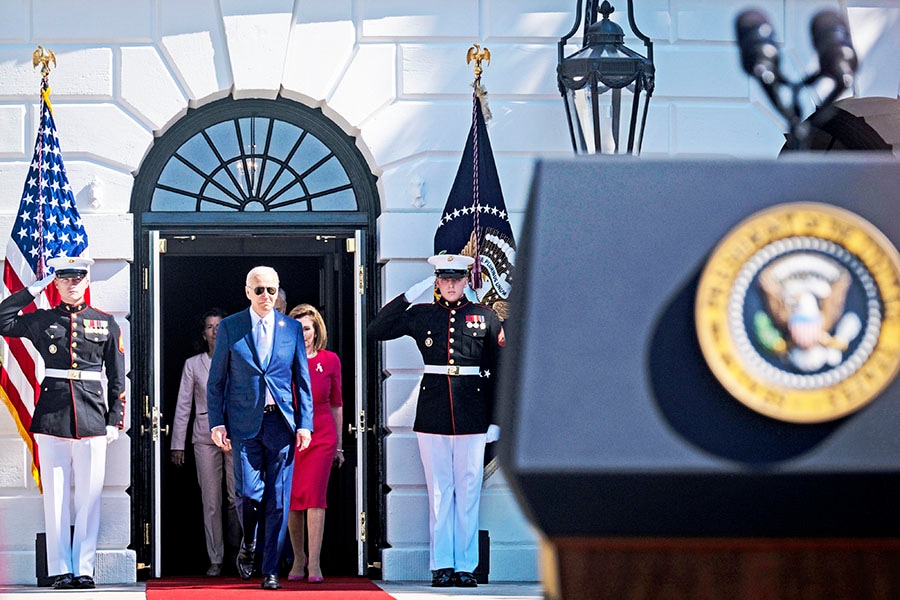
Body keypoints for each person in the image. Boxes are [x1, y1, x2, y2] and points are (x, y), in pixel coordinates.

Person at [367, 254, 503, 588]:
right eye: (445, 279)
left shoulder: (484, 317)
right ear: (438, 281)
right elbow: (377, 329)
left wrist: (497, 420)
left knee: (469, 492)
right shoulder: (423, 314)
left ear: (466, 281)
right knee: (440, 493)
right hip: (433, 413)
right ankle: (442, 565)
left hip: (474, 415)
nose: (452, 284)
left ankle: (466, 566)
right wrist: (413, 292)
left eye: (457, 278)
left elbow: (503, 371)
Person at [0, 255, 125, 590]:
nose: (72, 284)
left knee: (89, 496)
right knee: (54, 497)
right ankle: (60, 569)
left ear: (87, 282)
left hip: (92, 417)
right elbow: (3, 319)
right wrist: (31, 290)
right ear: (55, 283)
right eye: (65, 279)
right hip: (53, 415)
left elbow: (116, 377)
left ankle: (84, 568)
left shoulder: (105, 322)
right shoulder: (42, 320)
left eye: (78, 278)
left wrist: (114, 420)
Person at [207, 266, 313, 591]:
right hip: (243, 423)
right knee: (249, 494)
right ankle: (249, 543)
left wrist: (305, 424)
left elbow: (302, 381)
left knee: (278, 500)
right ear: (247, 292)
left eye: (271, 290)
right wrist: (217, 422)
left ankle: (270, 570)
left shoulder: (291, 328)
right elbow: (216, 382)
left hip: (280, 422)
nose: (266, 296)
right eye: (259, 290)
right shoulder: (231, 327)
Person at [169, 307, 240, 577]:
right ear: (203, 332)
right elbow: (183, 405)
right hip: (203, 436)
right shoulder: (193, 364)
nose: (215, 331)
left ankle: (238, 550)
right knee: (211, 501)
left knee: (237, 498)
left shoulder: (238, 357)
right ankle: (216, 558)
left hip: (234, 437)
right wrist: (177, 444)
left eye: (220, 326)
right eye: (210, 326)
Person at [285, 304, 344, 584]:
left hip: (322, 436)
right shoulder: (282, 358)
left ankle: (315, 563)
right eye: (298, 328)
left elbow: (337, 405)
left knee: (315, 498)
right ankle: (298, 558)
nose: (303, 333)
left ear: (316, 329)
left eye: (307, 328)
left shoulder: (330, 360)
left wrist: (340, 446)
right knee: (293, 500)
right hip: (291, 435)